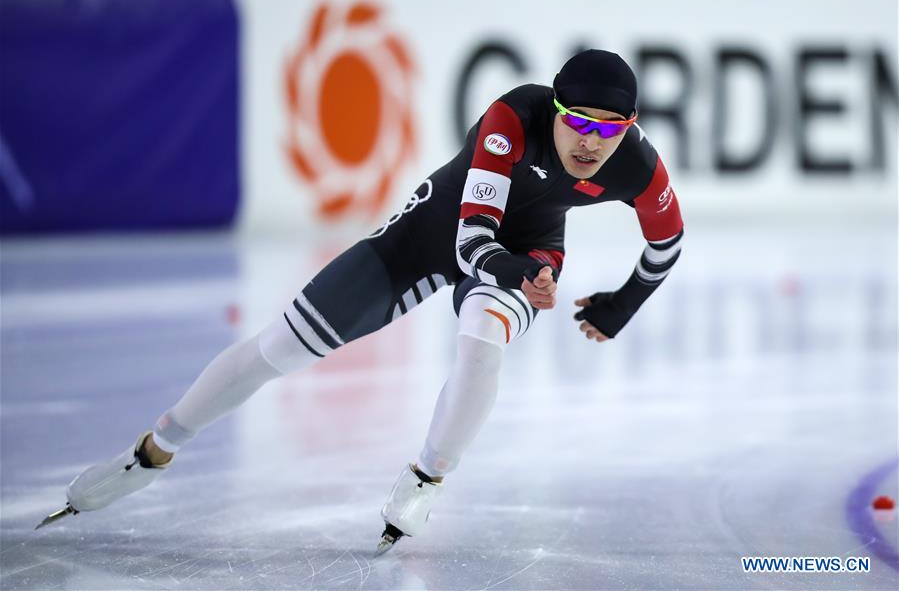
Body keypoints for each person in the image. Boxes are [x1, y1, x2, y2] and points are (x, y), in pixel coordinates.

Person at [38, 49, 684, 553]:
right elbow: (470, 239)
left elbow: (666, 243)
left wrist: (620, 303)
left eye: (607, 129)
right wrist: (514, 271)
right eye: (575, 121)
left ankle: (426, 477)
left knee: (483, 342)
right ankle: (152, 449)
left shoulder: (635, 164)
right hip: (431, 234)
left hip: (531, 247)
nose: (589, 142)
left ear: (629, 127)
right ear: (553, 110)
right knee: (279, 348)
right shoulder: (511, 117)